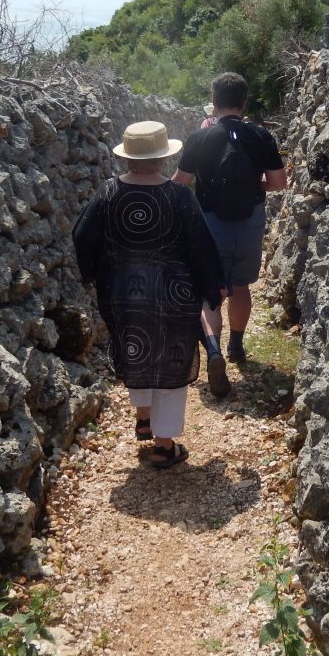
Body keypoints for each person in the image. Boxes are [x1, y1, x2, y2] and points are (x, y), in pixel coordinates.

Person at [72, 120, 225, 469]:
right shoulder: (179, 196)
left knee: (135, 350)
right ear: (164, 158)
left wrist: (97, 274)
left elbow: (82, 236)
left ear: (127, 157)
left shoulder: (108, 192)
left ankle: (144, 417)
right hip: (173, 292)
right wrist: (211, 288)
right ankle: (164, 446)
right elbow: (202, 247)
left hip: (122, 291)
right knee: (172, 360)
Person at [173, 73, 286, 392]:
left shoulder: (199, 137)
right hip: (250, 219)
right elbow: (279, 183)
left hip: (210, 222)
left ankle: (213, 352)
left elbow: (180, 183)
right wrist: (256, 186)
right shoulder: (261, 136)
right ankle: (236, 345)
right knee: (241, 285)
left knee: (211, 292)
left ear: (214, 100)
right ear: (244, 102)